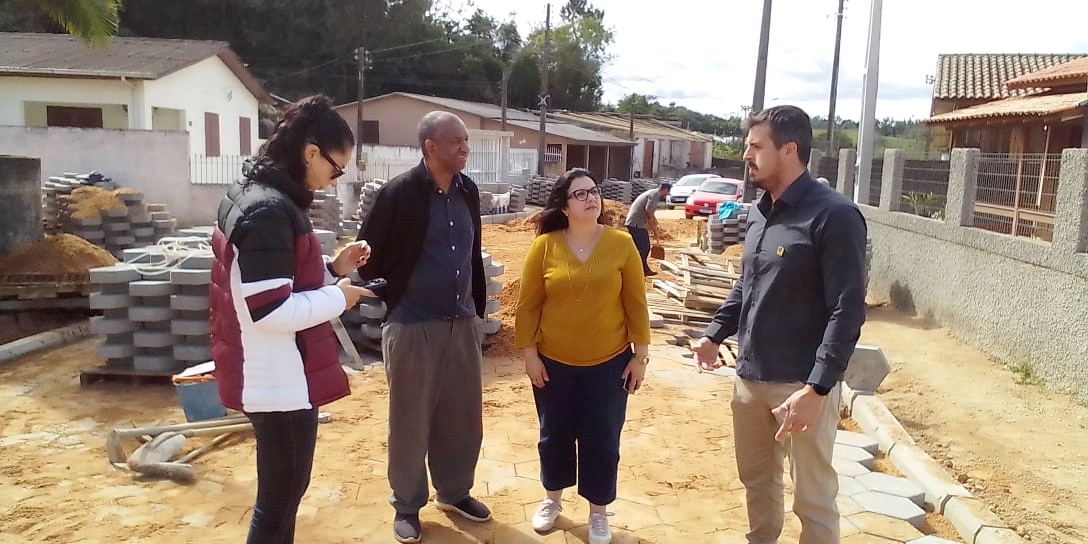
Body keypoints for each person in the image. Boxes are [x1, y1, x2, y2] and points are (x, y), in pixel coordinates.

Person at [690, 105, 867, 544]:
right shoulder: (759, 212)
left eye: (755, 146)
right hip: (749, 379)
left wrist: (819, 389)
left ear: (789, 150)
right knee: (758, 483)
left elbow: (848, 309)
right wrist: (715, 334)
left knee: (813, 498)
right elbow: (746, 286)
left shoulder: (834, 216)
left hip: (801, 387)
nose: (746, 155)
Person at [209, 94, 372, 544]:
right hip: (276, 382)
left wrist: (333, 269)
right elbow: (270, 310)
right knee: (278, 502)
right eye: (335, 168)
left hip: (274, 373)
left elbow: (275, 282)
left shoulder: (261, 196)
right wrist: (337, 298)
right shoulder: (269, 212)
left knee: (283, 496)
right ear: (310, 153)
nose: (333, 180)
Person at [356, 111, 491, 543]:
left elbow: (473, 254)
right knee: (411, 421)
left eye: (466, 140)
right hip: (413, 324)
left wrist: (477, 309)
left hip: (462, 322)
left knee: (461, 417)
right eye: (457, 141)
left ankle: (454, 492)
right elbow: (368, 255)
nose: (465, 148)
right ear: (431, 146)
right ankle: (408, 505)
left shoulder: (468, 191)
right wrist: (394, 291)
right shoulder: (400, 193)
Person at [515, 168, 653, 544]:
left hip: (608, 364)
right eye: (580, 194)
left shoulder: (622, 244)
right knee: (553, 434)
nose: (591, 198)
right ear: (563, 205)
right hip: (553, 362)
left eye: (594, 191)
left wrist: (640, 357)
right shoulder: (544, 246)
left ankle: (598, 512)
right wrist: (529, 354)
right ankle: (551, 500)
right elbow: (527, 306)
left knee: (603, 439)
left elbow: (636, 305)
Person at [624, 182, 671, 276]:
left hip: (635, 223)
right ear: (665, 190)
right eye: (668, 192)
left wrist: (654, 220)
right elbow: (648, 210)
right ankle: (641, 270)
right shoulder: (655, 194)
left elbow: (650, 212)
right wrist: (651, 222)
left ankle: (641, 269)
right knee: (644, 248)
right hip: (636, 223)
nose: (667, 194)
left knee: (639, 248)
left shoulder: (652, 193)